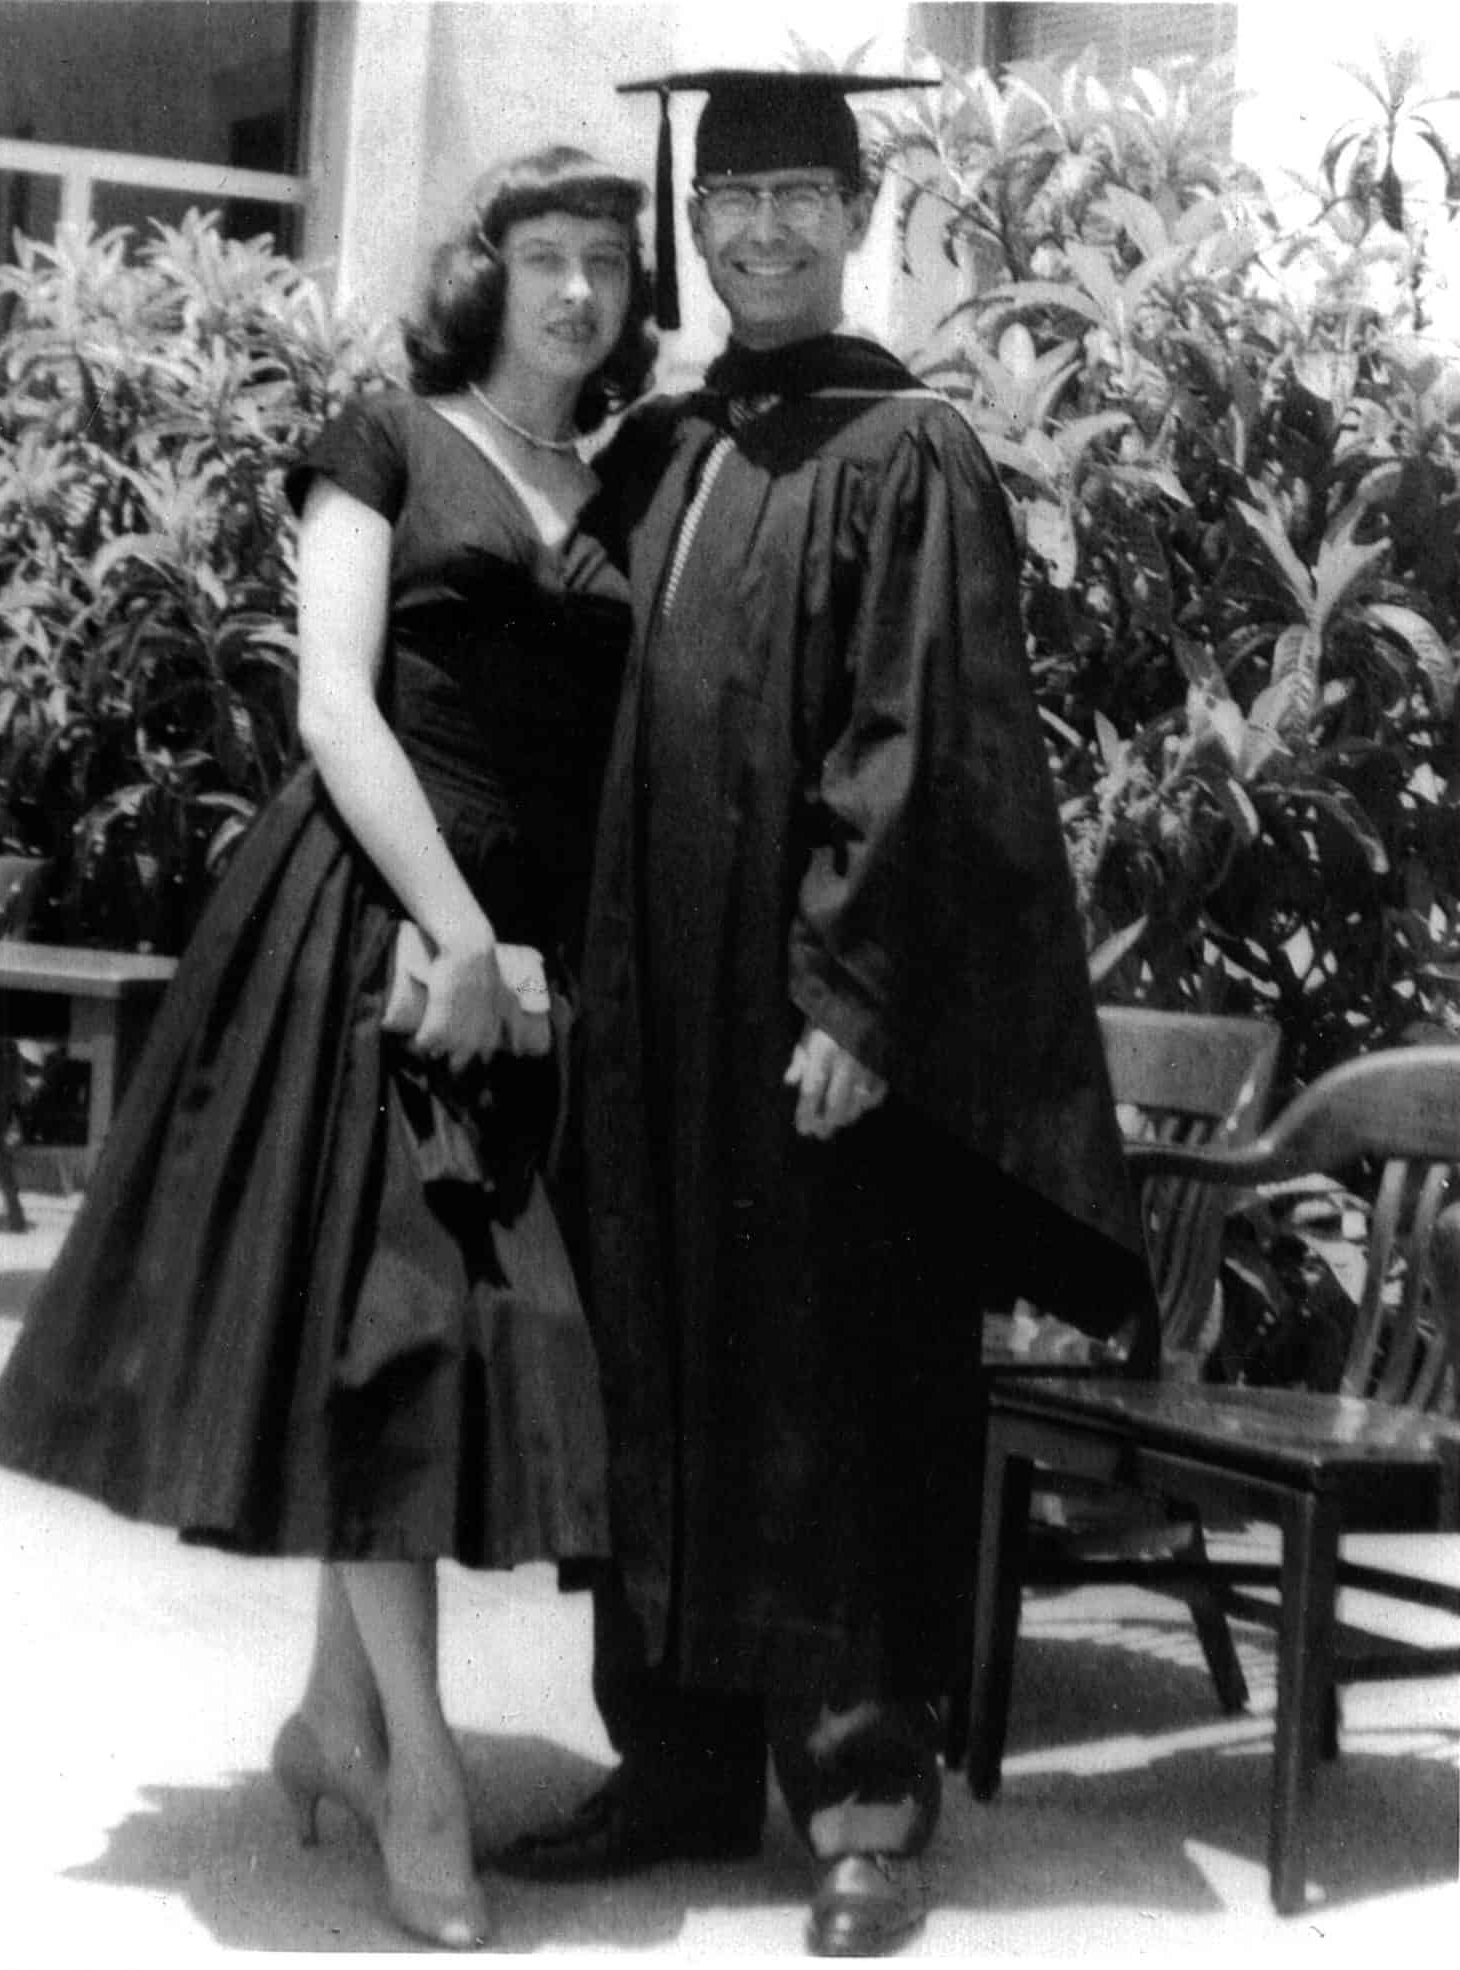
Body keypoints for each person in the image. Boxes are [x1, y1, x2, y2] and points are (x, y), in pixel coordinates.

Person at [0, 145, 655, 1952]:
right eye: (545, 260)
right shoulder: (387, 438)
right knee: (391, 1332)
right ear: (487, 275)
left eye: (606, 262)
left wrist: (534, 961)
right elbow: (333, 700)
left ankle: (339, 1722)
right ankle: (419, 1766)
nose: (577, 293)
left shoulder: (626, 480)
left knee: (422, 1349)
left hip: (521, 962)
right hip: (366, 924)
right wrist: (450, 930)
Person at [500, 73, 1156, 1957]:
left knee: (833, 1383)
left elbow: (919, 741)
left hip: (803, 1021)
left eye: (801, 193)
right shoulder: (666, 449)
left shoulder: (907, 448)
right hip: (647, 1016)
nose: (765, 230)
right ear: (689, 231)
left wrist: (859, 992)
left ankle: (864, 1797)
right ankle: (680, 1760)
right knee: (662, 1369)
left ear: (863, 210)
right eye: (735, 201)